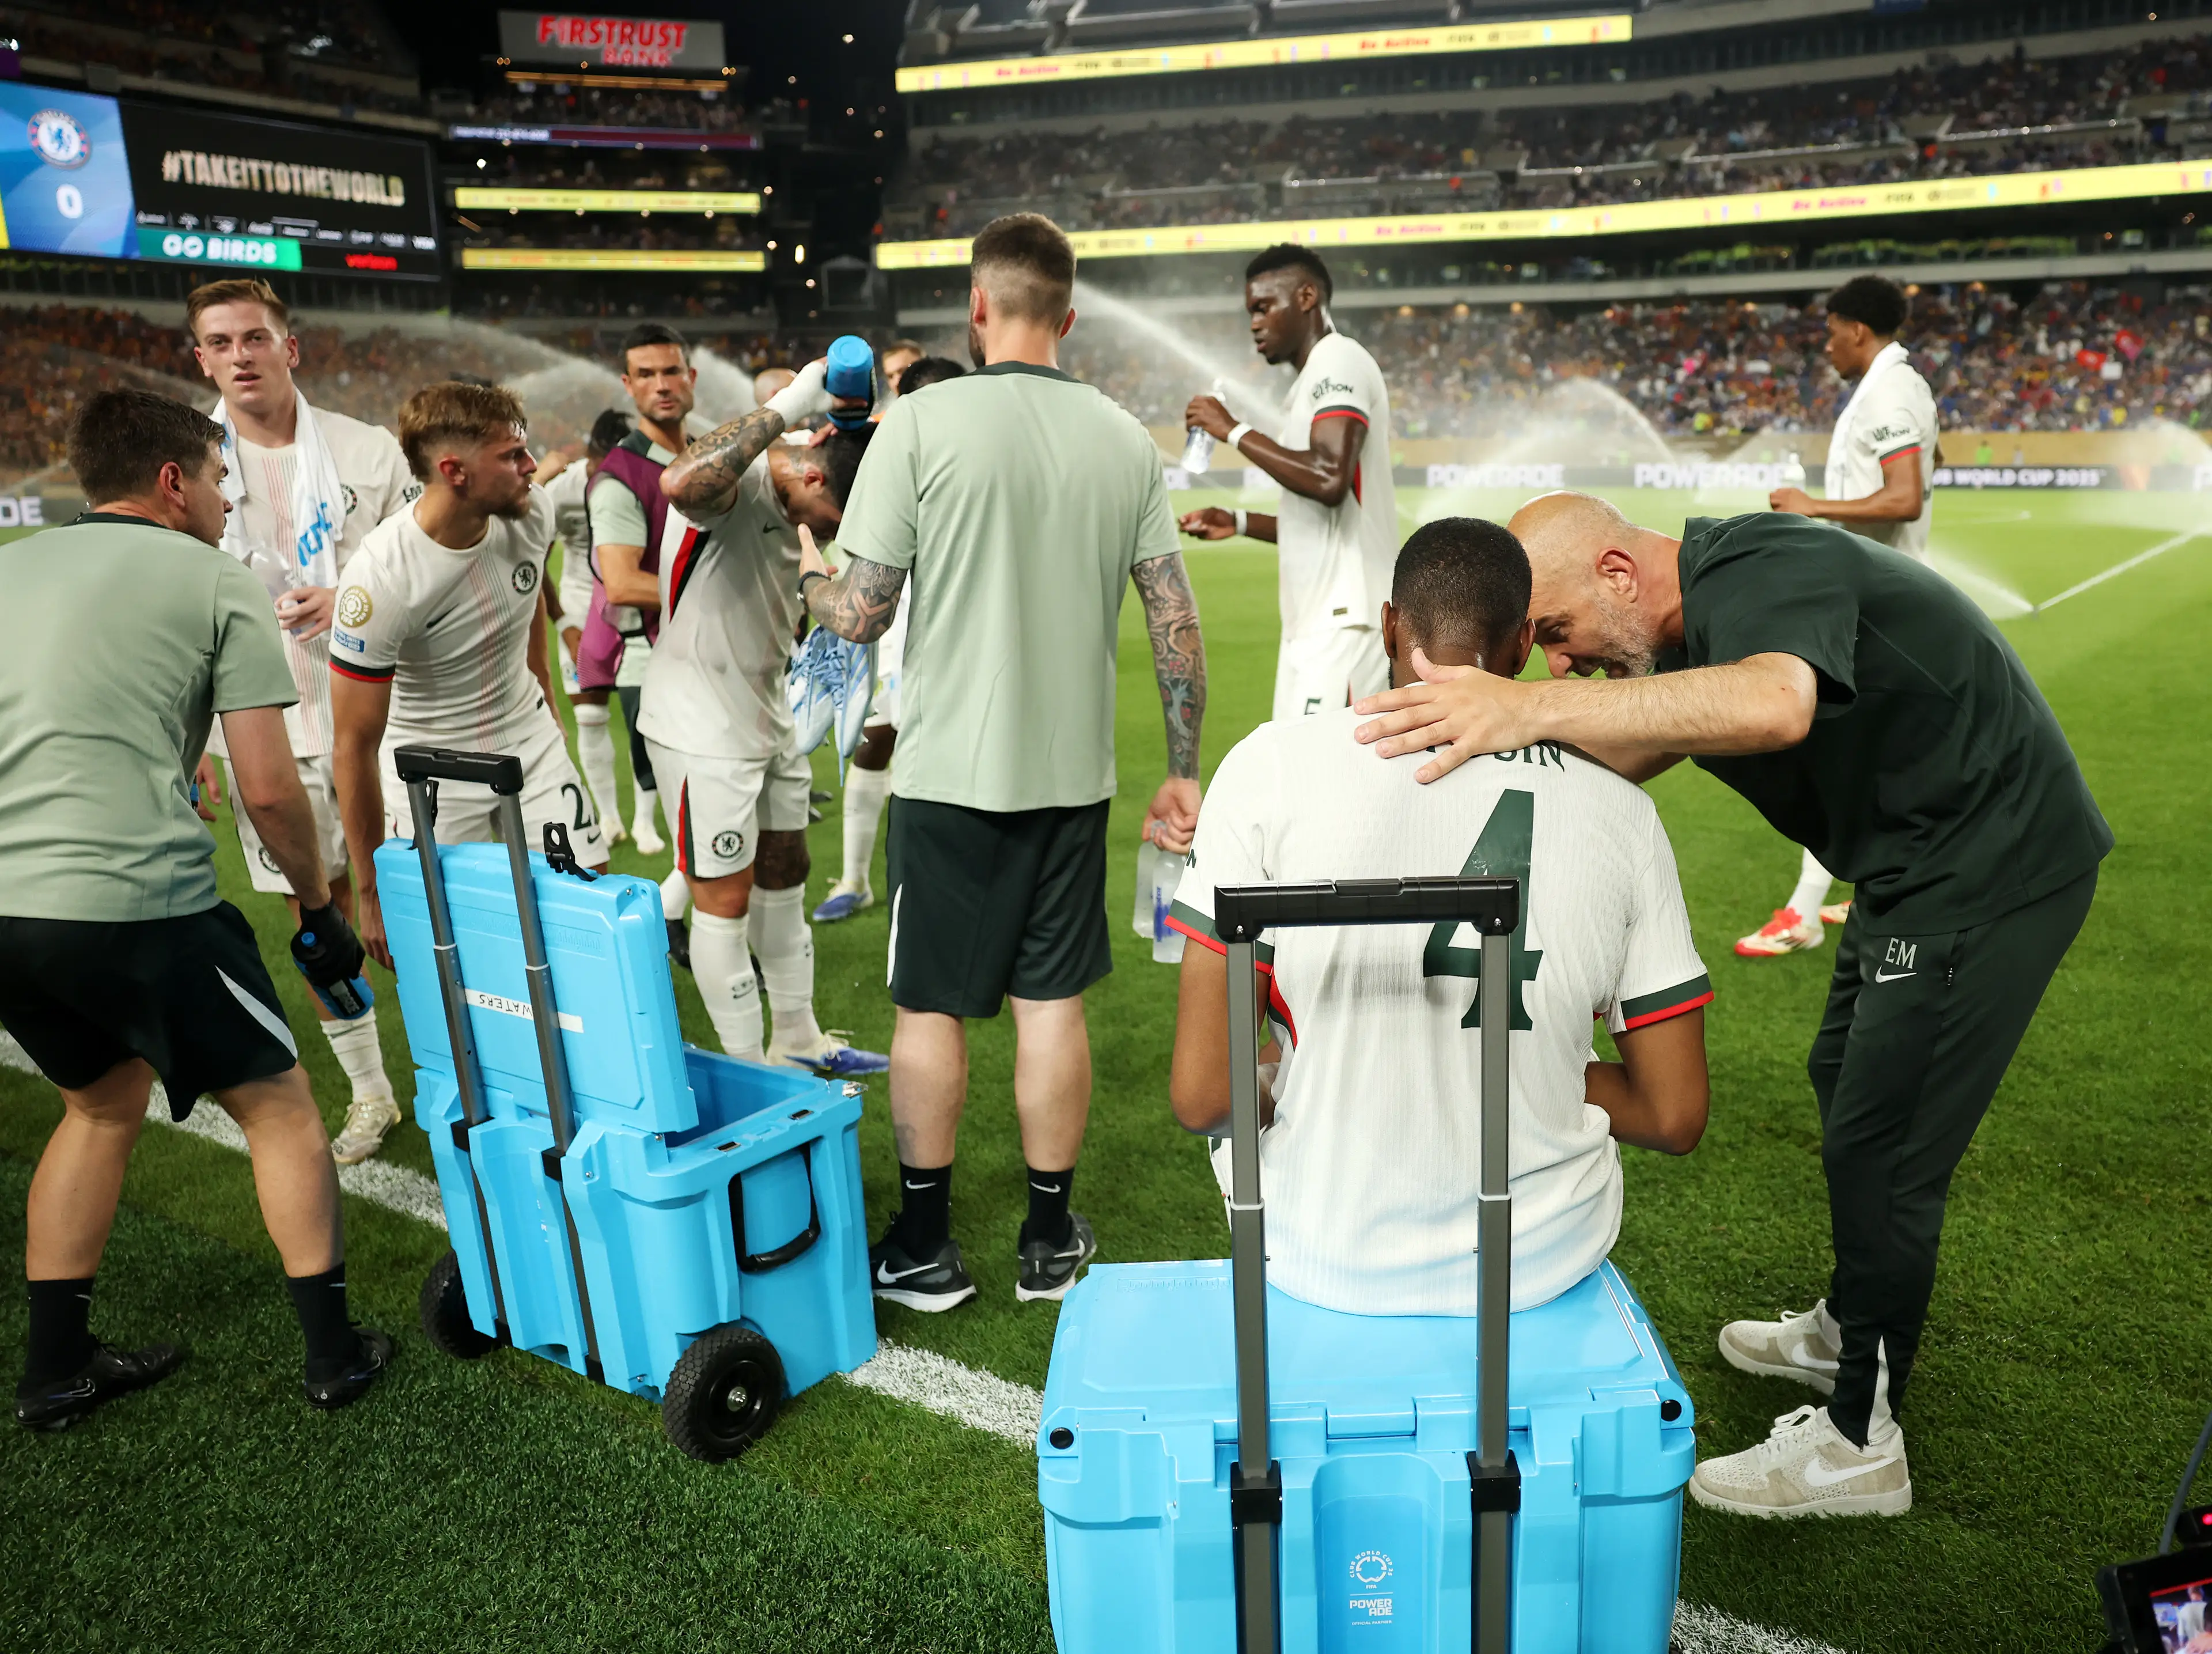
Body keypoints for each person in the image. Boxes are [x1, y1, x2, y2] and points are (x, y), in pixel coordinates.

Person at [1355, 490, 2110, 1518]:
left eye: (1564, 636)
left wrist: (1526, 707)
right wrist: (1429, 784)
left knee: (1882, 1149)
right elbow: (1618, 753)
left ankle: (1861, 1443)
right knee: (1841, 1081)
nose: (1562, 666)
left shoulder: (1755, 565)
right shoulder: (1664, 651)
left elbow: (1774, 704)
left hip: (1990, 861)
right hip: (1909, 862)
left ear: (1619, 574)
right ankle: (1852, 1322)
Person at [790, 212, 1207, 1311]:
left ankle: (925, 1247)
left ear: (977, 308)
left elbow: (865, 613)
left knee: (928, 1007)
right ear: (1066, 316)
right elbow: (1175, 615)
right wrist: (1183, 762)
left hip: (947, 778)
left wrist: (807, 583)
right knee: (1051, 1001)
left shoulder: (921, 422)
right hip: (1072, 777)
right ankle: (1050, 1237)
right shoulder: (1123, 435)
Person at [1166, 518, 1710, 1316]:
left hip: (1321, 1253)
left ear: (1389, 623)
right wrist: (1543, 1066)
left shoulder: (1266, 766)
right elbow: (1673, 1113)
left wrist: (1317, 1074)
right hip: (1542, 1261)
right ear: (1524, 644)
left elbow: (1203, 1094)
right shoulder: (1623, 812)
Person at [1, 389, 393, 1430]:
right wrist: (320, 906)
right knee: (279, 1105)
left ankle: (55, 1369)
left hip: (6, 905)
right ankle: (335, 1353)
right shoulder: (213, 575)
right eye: (219, 481)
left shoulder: (6, 563)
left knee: (99, 1103)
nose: (228, 501)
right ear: (172, 483)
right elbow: (267, 787)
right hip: (134, 896)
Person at [185, 277, 414, 1165]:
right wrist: (198, 740)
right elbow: (185, 612)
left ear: (292, 346)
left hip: (384, 720)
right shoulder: (187, 466)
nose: (240, 354)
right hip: (264, 731)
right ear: (201, 358)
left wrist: (358, 595)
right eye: (220, 342)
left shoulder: (369, 450)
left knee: (420, 904)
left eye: (255, 336)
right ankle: (371, 1091)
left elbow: (421, 567)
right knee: (318, 924)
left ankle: (457, 1068)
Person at [648, 359, 887, 1079]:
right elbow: (679, 482)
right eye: (839, 521)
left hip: (765, 711)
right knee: (723, 900)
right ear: (813, 480)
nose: (841, 535)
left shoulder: (814, 489)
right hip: (698, 725)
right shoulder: (741, 487)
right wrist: (793, 398)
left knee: (786, 870)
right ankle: (754, 1070)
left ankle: (800, 1039)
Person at [329, 381, 609, 972]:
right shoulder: (380, 578)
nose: (531, 467)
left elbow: (527, 597)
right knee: (461, 953)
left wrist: (547, 704)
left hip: (529, 743)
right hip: (429, 771)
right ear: (454, 470)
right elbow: (353, 744)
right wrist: (372, 888)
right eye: (512, 456)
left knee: (586, 908)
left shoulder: (531, 514)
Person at [1745, 274, 1941, 960]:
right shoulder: (1899, 386)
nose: (1825, 346)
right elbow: (1922, 464)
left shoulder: (1889, 390)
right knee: (1874, 755)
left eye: (1831, 331)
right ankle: (1873, 887)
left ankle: (1800, 914)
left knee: (1827, 752)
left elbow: (1905, 497)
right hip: (1878, 594)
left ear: (1858, 329)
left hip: (1876, 602)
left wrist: (1813, 509)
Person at [1177, 244, 1397, 722]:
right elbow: (1317, 517)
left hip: (1347, 619)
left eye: (1263, 307)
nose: (1254, 323)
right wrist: (1236, 522)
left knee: (1322, 785)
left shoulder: (1338, 360)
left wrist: (1232, 430)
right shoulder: (1307, 386)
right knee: (1299, 780)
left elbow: (1329, 477)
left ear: (1306, 297)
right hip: (1315, 624)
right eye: (1250, 312)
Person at [815, 354, 968, 925]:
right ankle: (855, 879)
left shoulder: (979, 458)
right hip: (880, 621)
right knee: (873, 741)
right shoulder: (875, 447)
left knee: (935, 760)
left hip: (948, 637)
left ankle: (939, 893)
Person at [547, 407, 666, 854]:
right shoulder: (564, 488)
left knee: (646, 720)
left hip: (636, 613)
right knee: (590, 718)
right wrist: (563, 623)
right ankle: (610, 818)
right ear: (590, 456)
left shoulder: (643, 480)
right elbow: (534, 558)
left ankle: (645, 823)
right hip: (582, 611)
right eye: (601, 466)